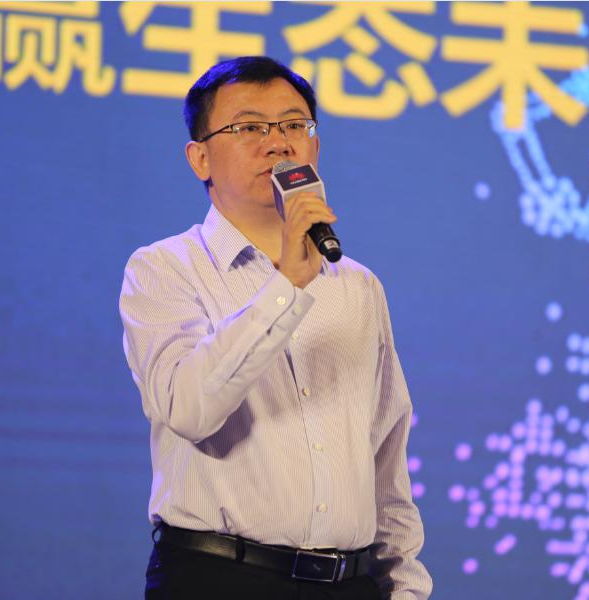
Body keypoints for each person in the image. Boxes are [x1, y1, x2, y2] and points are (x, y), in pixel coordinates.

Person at [119, 56, 432, 600]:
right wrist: (286, 284)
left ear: (315, 147)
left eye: (293, 125)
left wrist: (406, 588)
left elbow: (386, 460)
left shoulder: (357, 285)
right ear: (199, 158)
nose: (277, 143)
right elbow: (189, 410)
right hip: (220, 579)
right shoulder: (164, 269)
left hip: (350, 584)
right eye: (249, 128)